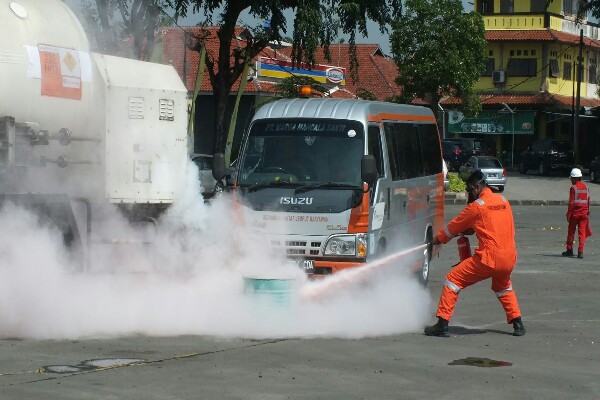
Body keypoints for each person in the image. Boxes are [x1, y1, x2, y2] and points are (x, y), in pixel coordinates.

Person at [424, 170, 525, 337]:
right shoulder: (503, 200)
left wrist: (437, 240)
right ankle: (518, 323)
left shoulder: (476, 207)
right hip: (509, 258)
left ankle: (442, 323)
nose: (469, 194)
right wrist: (473, 229)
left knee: (452, 280)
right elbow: (496, 224)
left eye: (470, 191)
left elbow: (453, 227)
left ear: (477, 187)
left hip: (489, 258)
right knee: (503, 286)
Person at [562, 168, 591, 259]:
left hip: (575, 214)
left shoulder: (573, 188)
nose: (571, 180)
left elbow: (571, 202)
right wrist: (587, 210)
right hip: (584, 214)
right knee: (582, 233)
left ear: (575, 178)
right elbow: (588, 200)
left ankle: (569, 250)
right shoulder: (586, 187)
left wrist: (568, 214)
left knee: (571, 232)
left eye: (571, 178)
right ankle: (580, 252)